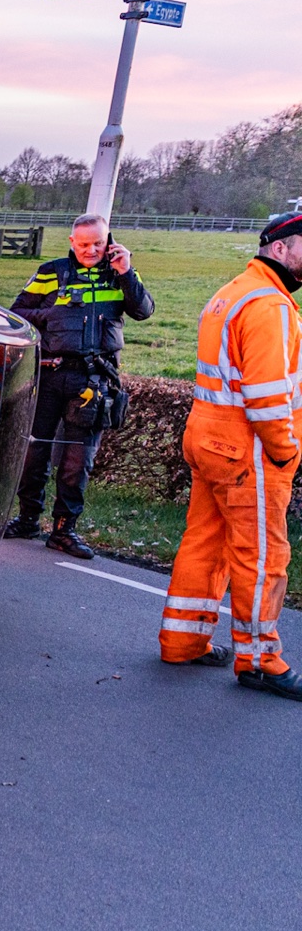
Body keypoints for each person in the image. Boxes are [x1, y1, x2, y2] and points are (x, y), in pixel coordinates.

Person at [157, 212, 302, 699]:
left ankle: (183, 641)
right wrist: (285, 450)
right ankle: (260, 660)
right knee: (262, 557)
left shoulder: (231, 293)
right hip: (250, 451)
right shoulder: (270, 305)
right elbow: (267, 396)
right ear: (279, 248)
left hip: (208, 439)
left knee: (205, 541)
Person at [1, 213, 155, 558]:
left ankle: (63, 530)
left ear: (108, 240)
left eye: (98, 243)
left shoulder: (120, 274)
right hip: (50, 375)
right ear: (73, 242)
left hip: (94, 380)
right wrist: (53, 314)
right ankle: (27, 519)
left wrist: (126, 271)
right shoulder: (50, 272)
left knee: (78, 459)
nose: (91, 250)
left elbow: (144, 311)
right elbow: (16, 313)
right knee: (34, 450)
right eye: (84, 244)